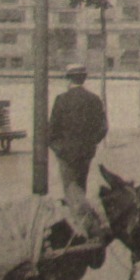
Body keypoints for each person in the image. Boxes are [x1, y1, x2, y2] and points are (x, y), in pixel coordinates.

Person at [47, 64, 107, 211]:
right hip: (85, 151)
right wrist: (92, 143)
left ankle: (74, 220)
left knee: (69, 187)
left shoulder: (62, 99)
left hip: (65, 152)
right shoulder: (94, 99)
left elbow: (52, 129)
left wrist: (57, 148)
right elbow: (103, 127)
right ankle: (80, 214)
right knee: (81, 185)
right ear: (84, 79)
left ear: (68, 79)